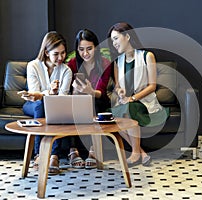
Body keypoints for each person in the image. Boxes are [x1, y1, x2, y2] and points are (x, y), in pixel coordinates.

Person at [107, 22, 169, 167]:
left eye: (116, 38)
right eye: (112, 41)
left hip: (144, 102)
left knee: (129, 109)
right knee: (112, 119)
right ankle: (141, 152)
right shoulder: (117, 62)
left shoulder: (147, 56)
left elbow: (152, 86)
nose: (114, 43)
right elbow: (117, 86)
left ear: (127, 36)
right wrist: (120, 91)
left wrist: (132, 98)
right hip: (126, 102)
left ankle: (135, 154)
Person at [21, 31, 73, 175]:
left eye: (63, 53)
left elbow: (63, 98)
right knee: (40, 105)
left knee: (55, 109)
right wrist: (50, 93)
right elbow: (34, 93)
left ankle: (54, 155)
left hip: (54, 106)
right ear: (46, 52)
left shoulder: (66, 71)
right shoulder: (33, 66)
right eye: (56, 54)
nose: (61, 57)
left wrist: (53, 95)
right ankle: (39, 154)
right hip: (33, 104)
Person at [67, 29, 112, 169]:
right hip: (77, 100)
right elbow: (68, 90)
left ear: (96, 48)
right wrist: (75, 91)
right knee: (70, 107)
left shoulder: (104, 63)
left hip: (98, 100)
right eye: (81, 49)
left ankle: (93, 150)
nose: (85, 53)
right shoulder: (73, 64)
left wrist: (90, 91)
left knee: (94, 102)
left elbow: (101, 92)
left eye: (89, 49)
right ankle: (73, 151)